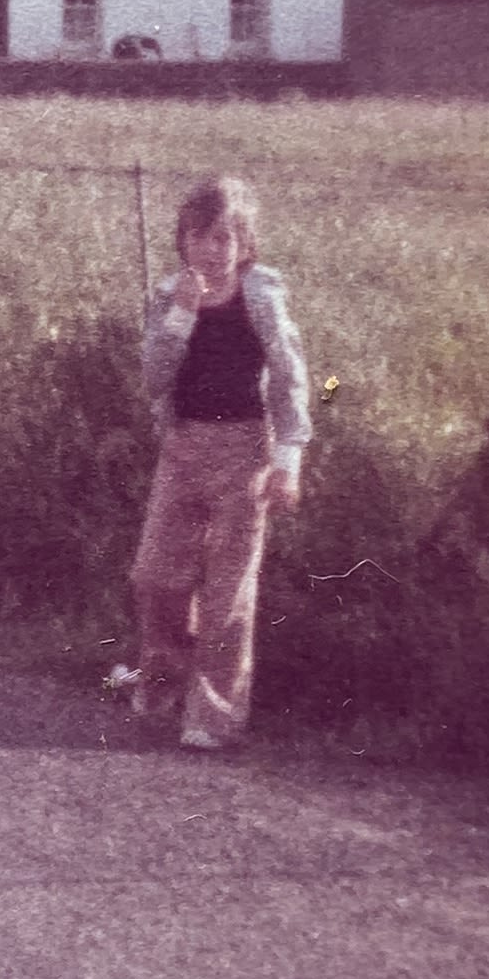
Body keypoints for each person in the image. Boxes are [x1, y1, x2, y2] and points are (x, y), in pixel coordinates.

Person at [124, 174, 312, 751]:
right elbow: (153, 378)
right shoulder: (169, 297)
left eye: (225, 237)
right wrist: (181, 316)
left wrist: (288, 459)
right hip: (182, 447)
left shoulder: (261, 298)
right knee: (156, 574)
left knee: (228, 591)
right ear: (182, 241)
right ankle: (164, 682)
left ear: (246, 244)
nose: (212, 249)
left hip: (245, 451)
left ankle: (213, 716)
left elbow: (291, 376)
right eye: (200, 236)